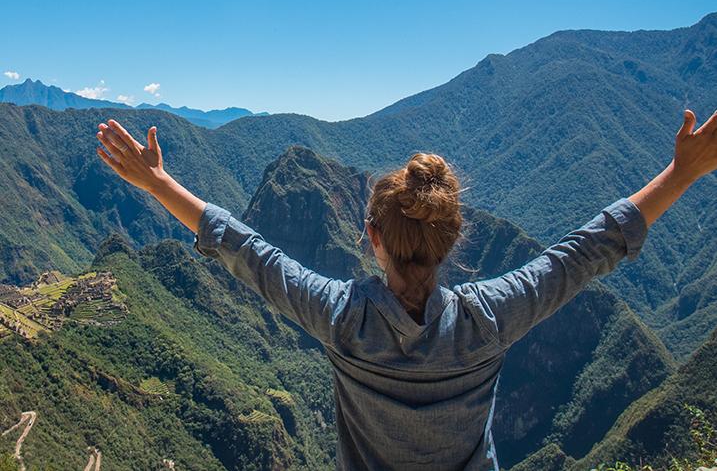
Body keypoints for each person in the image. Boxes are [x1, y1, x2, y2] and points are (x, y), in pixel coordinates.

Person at [95, 108, 717, 471]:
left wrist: (159, 186)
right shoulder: (490, 319)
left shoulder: (342, 320)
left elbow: (248, 254)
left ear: (371, 237)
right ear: (452, 241)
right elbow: (586, 253)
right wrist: (683, 172)